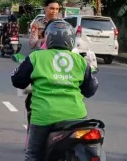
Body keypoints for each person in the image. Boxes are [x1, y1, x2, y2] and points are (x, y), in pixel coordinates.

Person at [11, 20, 98, 161]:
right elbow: (90, 90)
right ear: (71, 40)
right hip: (76, 117)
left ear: (48, 38)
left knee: (33, 155)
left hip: (44, 117)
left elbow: (18, 81)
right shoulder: (80, 61)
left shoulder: (36, 57)